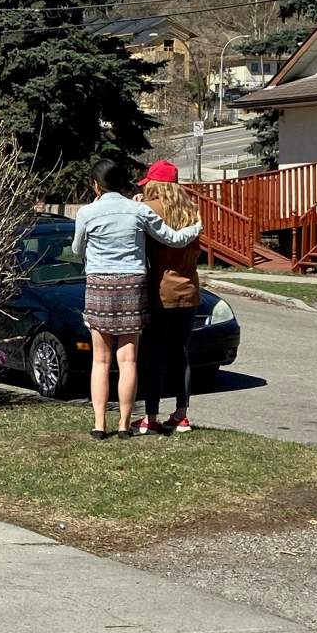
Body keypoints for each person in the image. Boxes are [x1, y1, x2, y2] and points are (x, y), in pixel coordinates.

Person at [72, 158, 202, 440]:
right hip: (138, 284)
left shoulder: (87, 212)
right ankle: (124, 424)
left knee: (101, 360)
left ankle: (99, 424)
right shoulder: (143, 210)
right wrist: (195, 228)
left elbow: (76, 248)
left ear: (95, 185)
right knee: (130, 358)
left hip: (101, 283)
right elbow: (173, 238)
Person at [135, 161, 202, 436]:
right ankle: (182, 414)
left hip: (160, 290)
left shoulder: (148, 210)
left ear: (155, 184)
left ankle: (150, 416)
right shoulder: (192, 211)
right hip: (189, 289)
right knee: (181, 353)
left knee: (153, 354)